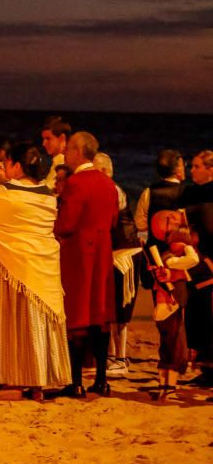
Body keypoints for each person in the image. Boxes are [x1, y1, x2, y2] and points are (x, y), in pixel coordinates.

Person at [0, 143, 71, 400]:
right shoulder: (48, 195)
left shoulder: (4, 193)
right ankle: (40, 381)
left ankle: (14, 380)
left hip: (12, 264)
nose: (5, 169)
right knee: (37, 322)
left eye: (6, 164)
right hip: (44, 264)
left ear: (16, 166)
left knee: (13, 324)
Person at [54, 131, 119, 397]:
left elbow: (67, 223)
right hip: (102, 250)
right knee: (100, 315)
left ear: (79, 151)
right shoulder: (107, 183)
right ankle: (102, 379)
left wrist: (54, 228)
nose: (65, 153)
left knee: (78, 315)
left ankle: (76, 380)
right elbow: (113, 219)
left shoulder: (76, 183)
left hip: (80, 253)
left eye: (68, 148)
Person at [93, 152, 143, 378]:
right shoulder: (109, 190)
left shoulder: (113, 191)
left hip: (125, 255)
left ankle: (121, 358)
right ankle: (113, 356)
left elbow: (108, 221)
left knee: (121, 312)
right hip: (115, 254)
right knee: (111, 311)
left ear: (103, 171)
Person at [148, 210, 199, 402]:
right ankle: (169, 390)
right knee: (175, 343)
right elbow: (193, 259)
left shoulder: (166, 257)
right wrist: (188, 247)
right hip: (171, 302)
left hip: (171, 301)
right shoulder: (171, 257)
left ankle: (165, 388)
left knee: (169, 344)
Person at [180, 150, 213, 376]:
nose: (192, 170)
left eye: (197, 166)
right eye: (191, 166)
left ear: (210, 169)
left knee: (208, 314)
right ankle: (204, 367)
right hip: (195, 258)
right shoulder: (190, 193)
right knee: (196, 313)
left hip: (209, 259)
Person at [134, 149, 186, 243]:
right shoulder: (186, 193)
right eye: (183, 165)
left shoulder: (149, 192)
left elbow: (140, 224)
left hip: (155, 251)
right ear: (177, 170)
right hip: (182, 251)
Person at [41, 115, 71, 191]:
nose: (43, 143)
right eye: (43, 139)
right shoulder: (57, 162)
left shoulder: (66, 166)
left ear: (62, 138)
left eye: (48, 138)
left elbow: (49, 192)